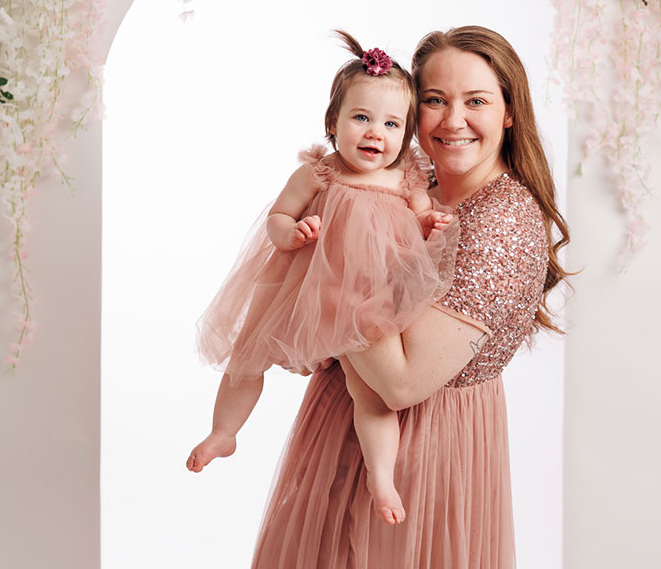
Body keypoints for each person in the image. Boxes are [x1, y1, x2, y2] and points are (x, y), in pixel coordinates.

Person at [206, 26, 569, 569]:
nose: (451, 120)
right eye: (433, 99)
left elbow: (401, 381)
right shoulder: (411, 183)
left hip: (423, 460)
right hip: (335, 438)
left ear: (510, 111)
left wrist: (324, 276)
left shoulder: (501, 224)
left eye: (475, 100)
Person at [187, 31, 458, 525]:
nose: (376, 133)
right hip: (310, 289)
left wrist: (428, 223)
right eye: (362, 118)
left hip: (364, 301)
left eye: (392, 123)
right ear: (333, 122)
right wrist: (292, 231)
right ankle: (224, 431)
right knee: (248, 354)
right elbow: (278, 216)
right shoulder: (321, 171)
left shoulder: (406, 177)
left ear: (407, 133)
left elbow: (419, 221)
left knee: (369, 394)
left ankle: (381, 477)